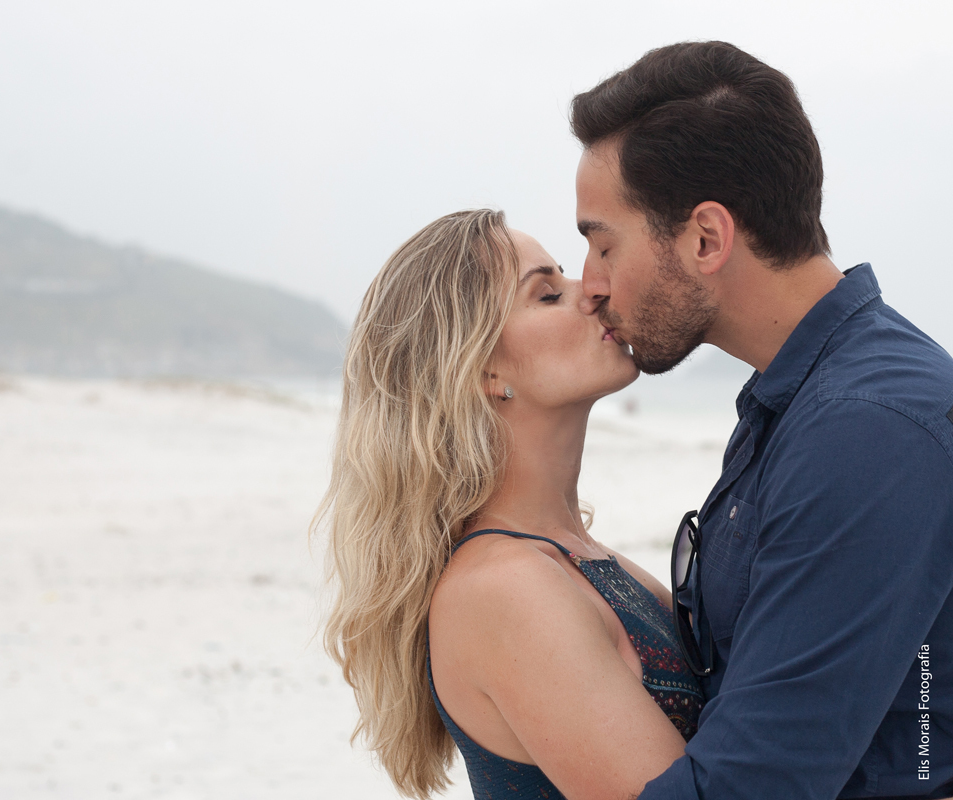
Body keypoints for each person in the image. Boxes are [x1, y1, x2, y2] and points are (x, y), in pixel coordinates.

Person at [570, 41, 953, 799]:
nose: (591, 285)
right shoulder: (800, 398)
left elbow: (753, 787)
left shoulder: (867, 428)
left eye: (603, 243)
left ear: (706, 238)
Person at [316, 208, 704, 799]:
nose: (594, 289)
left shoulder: (582, 562)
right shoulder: (503, 590)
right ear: (480, 369)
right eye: (548, 294)